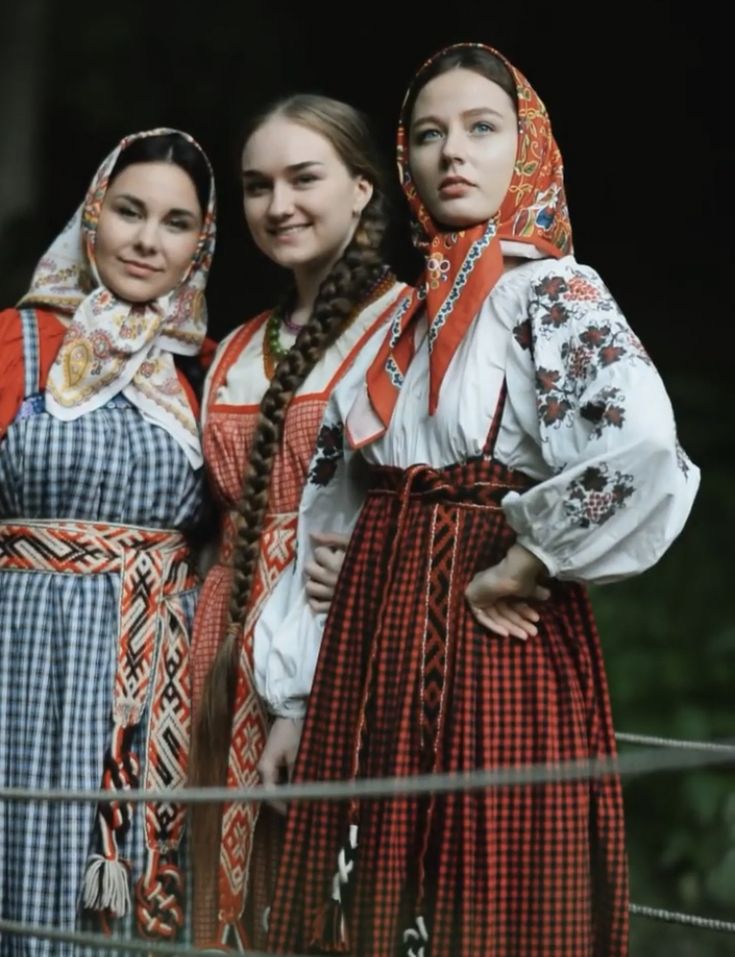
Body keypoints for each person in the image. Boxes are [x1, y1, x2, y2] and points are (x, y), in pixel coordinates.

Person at [261, 43, 700, 956]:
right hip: (373, 631)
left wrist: (530, 555)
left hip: (483, 613)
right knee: (371, 882)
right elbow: (330, 496)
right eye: (428, 134)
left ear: (526, 149)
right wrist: (295, 688)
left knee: (486, 874)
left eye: (479, 129)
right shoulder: (403, 321)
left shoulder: (550, 291)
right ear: (405, 161)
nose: (450, 153)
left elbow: (643, 444)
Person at [188, 94, 409, 949]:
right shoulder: (237, 346)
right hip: (221, 651)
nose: (277, 205)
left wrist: (307, 691)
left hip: (335, 647)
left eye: (302, 178)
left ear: (360, 188)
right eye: (256, 185)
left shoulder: (407, 331)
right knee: (218, 892)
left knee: (320, 905)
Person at [0, 128, 216, 952]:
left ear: (200, 244)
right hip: (21, 650)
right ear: (94, 216)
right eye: (129, 211)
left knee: (123, 889)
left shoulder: (203, 375)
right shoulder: (22, 342)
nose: (145, 239)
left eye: (174, 222)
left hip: (152, 668)